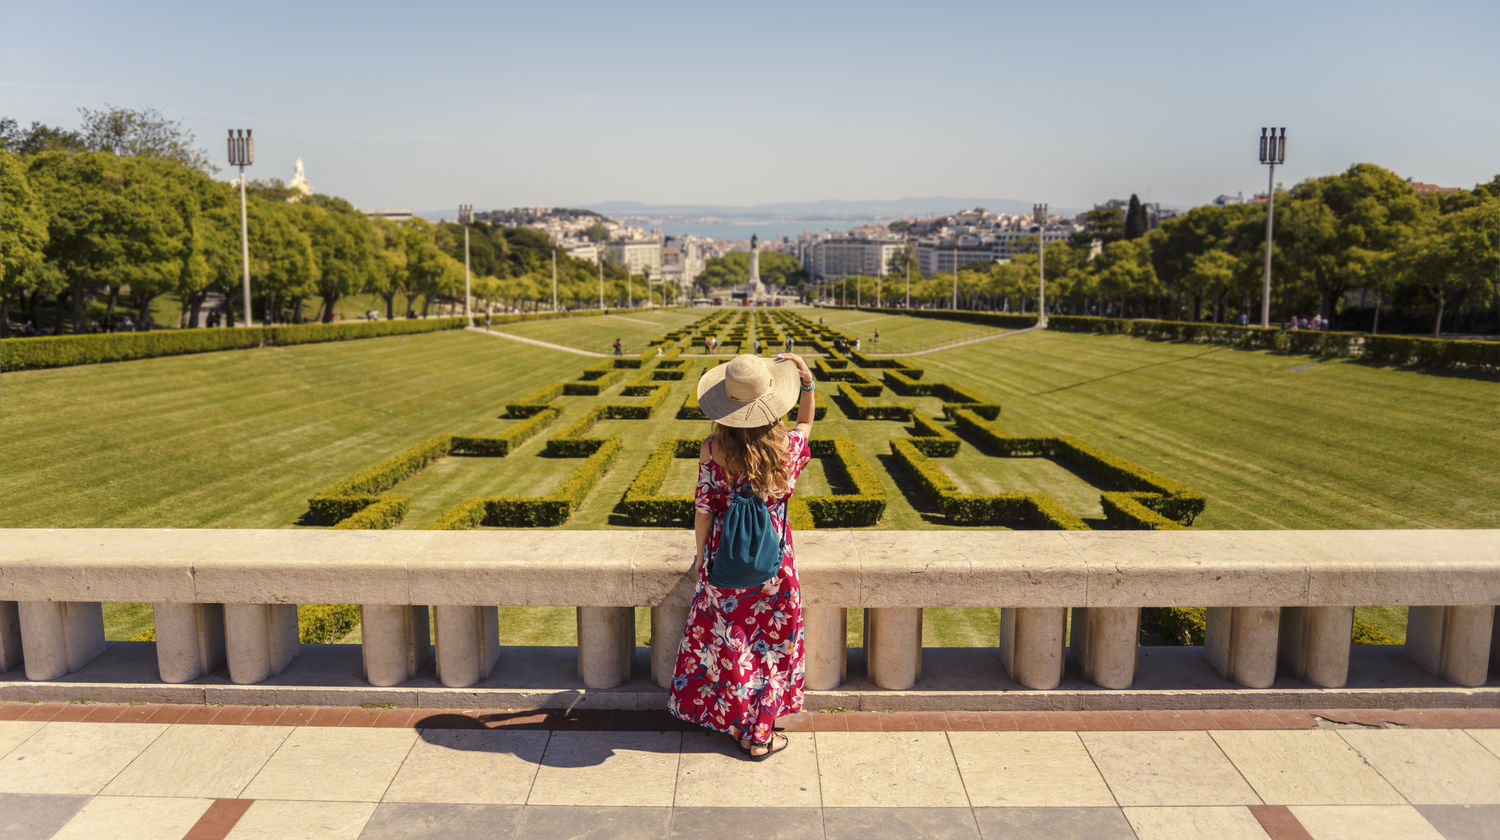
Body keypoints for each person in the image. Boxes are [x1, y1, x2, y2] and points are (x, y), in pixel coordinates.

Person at [668, 351, 816, 760]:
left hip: (724, 562)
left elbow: (703, 510)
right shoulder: (786, 449)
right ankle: (762, 734)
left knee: (733, 646)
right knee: (771, 647)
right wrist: (806, 381)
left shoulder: (712, 448)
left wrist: (701, 559)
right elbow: (806, 422)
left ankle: (740, 724)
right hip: (776, 563)